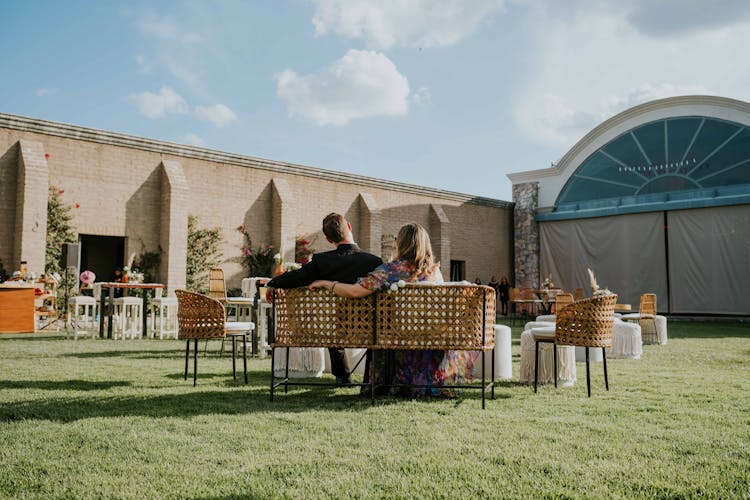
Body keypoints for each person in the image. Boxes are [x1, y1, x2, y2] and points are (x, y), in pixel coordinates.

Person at [309, 222, 478, 397]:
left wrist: (328, 283)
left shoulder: (389, 270)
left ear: (401, 244)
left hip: (396, 338)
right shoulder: (434, 272)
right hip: (431, 338)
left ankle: (392, 384)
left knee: (382, 329)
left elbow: (354, 291)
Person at [267, 213, 382, 385]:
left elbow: (298, 277)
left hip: (332, 328)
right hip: (368, 327)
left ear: (329, 240)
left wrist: (273, 283)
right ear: (349, 227)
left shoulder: (322, 261)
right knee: (370, 328)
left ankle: (342, 376)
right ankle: (370, 379)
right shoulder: (374, 261)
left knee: (333, 325)